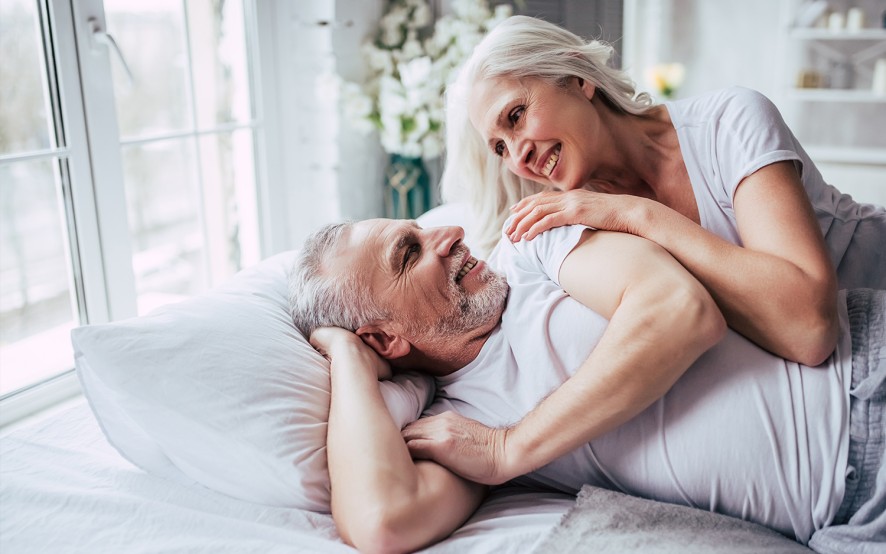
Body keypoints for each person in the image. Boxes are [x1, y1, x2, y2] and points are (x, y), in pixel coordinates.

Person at [288, 217, 885, 554]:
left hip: (865, 378)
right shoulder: (460, 426)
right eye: (411, 251)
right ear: (385, 339)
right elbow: (383, 521)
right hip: (844, 522)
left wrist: (509, 450)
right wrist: (346, 357)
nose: (450, 233)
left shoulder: (534, 247)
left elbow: (680, 311)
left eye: (424, 227)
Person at [440, 15, 886, 367]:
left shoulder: (729, 122)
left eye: (516, 116)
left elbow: (809, 328)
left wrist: (637, 215)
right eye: (500, 147)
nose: (518, 157)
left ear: (578, 76)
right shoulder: (577, 230)